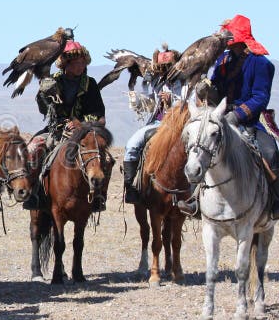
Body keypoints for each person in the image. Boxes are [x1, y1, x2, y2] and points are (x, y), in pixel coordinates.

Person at [212, 15, 279, 219]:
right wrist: (207, 91)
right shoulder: (223, 60)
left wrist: (237, 116)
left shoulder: (260, 63)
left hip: (249, 120)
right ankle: (193, 199)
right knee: (199, 147)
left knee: (270, 152)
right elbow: (216, 87)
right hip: (220, 116)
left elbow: (260, 97)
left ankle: (276, 201)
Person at [23, 40, 108, 211]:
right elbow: (43, 110)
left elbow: (98, 112)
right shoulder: (52, 80)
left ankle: (99, 196)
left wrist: (79, 123)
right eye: (77, 63)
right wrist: (42, 95)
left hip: (84, 131)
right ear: (65, 64)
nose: (81, 66)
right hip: (55, 129)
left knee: (106, 159)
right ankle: (32, 193)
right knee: (32, 150)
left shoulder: (90, 84)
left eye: (83, 63)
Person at [122, 46, 183, 204]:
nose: (164, 70)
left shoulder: (185, 83)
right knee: (132, 145)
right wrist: (137, 101)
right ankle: (130, 187)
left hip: (178, 125)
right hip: (157, 123)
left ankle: (197, 193)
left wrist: (172, 101)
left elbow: (190, 104)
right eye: (162, 67)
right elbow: (151, 104)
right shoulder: (157, 81)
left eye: (167, 67)